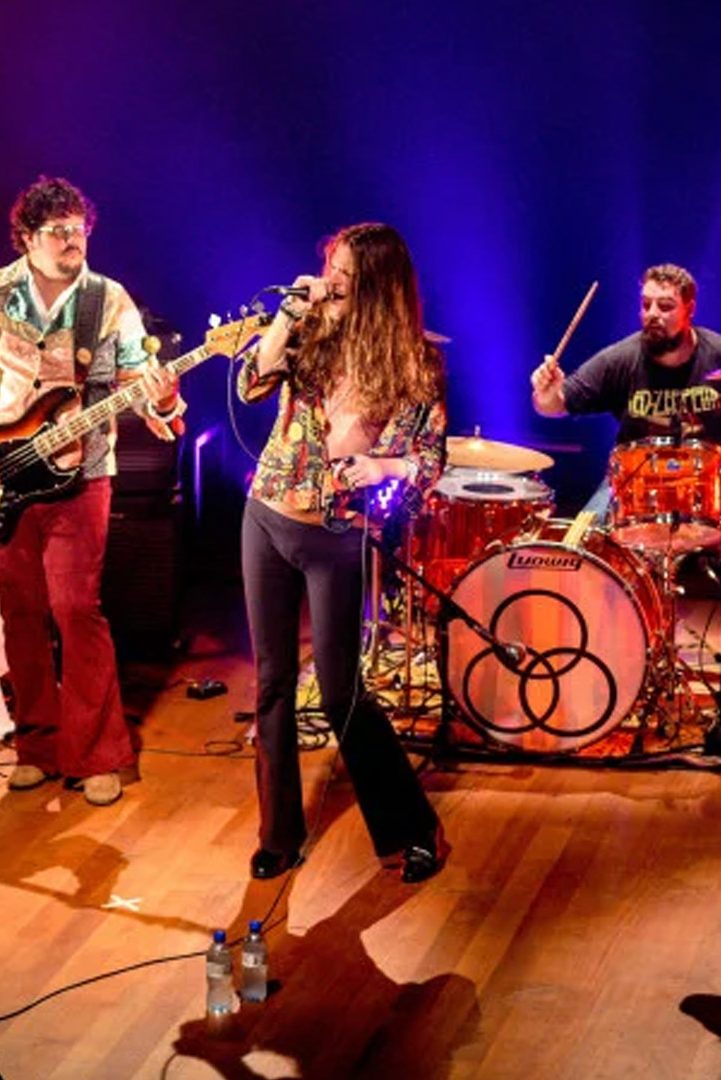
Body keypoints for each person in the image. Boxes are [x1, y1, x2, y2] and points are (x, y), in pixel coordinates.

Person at [0, 175, 182, 805]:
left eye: (79, 229)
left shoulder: (108, 300)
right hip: (0, 476)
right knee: (21, 610)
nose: (72, 240)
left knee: (76, 608)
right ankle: (36, 741)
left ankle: (96, 754)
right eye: (58, 231)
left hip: (82, 475)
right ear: (28, 238)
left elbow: (142, 383)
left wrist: (162, 396)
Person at [236, 222, 449, 884]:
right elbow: (250, 384)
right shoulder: (310, 332)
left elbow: (429, 458)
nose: (331, 282)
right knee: (272, 682)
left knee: (339, 692)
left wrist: (385, 467)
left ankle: (413, 828)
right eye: (329, 266)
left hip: (336, 533)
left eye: (345, 275)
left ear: (376, 286)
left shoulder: (415, 363)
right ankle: (278, 834)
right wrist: (287, 316)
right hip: (268, 515)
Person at [530, 264, 721, 626]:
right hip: (633, 485)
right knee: (587, 536)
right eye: (646, 304)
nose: (652, 314)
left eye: (665, 306)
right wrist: (545, 392)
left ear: (689, 309)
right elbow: (554, 405)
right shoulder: (621, 359)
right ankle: (604, 641)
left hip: (705, 487)